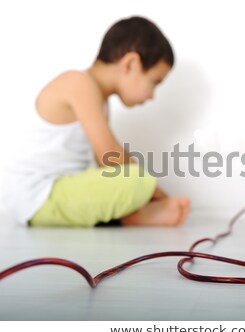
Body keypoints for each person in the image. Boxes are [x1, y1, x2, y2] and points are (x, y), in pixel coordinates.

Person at [1, 16, 190, 228]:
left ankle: (127, 213)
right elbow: (109, 155)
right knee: (136, 179)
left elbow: (104, 162)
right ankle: (129, 217)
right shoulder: (79, 83)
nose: (152, 96)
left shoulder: (100, 100)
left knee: (131, 178)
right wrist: (154, 191)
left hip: (58, 192)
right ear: (131, 64)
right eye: (154, 82)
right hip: (37, 196)